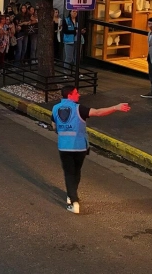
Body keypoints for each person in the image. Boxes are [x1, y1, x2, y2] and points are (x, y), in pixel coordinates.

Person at [51, 86, 130, 214]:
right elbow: (98, 112)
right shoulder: (79, 109)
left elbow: (54, 125)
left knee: (69, 173)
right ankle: (73, 197)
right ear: (70, 95)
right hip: (79, 147)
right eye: (76, 93)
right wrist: (116, 107)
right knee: (76, 171)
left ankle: (73, 199)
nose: (79, 95)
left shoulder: (55, 108)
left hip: (64, 147)